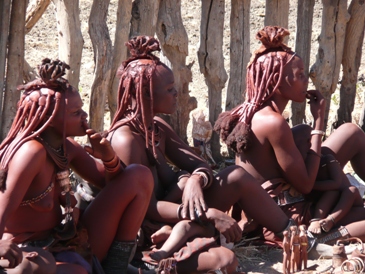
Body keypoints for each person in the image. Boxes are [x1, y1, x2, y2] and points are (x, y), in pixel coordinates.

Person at [105, 35, 294, 273]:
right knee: (224, 261)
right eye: (169, 89)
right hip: (149, 229)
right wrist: (208, 214)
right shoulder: (126, 140)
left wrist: (195, 179)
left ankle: (294, 234)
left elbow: (201, 164)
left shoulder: (156, 126)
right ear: (146, 94)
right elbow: (148, 208)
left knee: (235, 175)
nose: (177, 93)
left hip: (181, 212)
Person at [214, 25, 365, 245]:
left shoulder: (257, 112)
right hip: (283, 216)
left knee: (349, 132)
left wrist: (309, 133)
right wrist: (319, 123)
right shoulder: (273, 122)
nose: (306, 80)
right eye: (300, 75)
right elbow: (304, 185)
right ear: (278, 81)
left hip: (286, 196)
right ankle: (322, 237)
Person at [0, 59, 153, 273]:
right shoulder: (30, 153)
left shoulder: (66, 147)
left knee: (138, 176)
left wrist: (109, 158)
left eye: (81, 109)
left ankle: (115, 267)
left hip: (65, 242)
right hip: (29, 252)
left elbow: (113, 183)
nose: (84, 116)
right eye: (75, 113)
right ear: (49, 118)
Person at [292, 124, 364, 235]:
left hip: (342, 197)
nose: (309, 145)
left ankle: (329, 221)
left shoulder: (327, 159)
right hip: (319, 202)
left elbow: (336, 183)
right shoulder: (298, 161)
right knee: (331, 195)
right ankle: (318, 221)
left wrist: (311, 185)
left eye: (310, 141)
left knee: (349, 191)